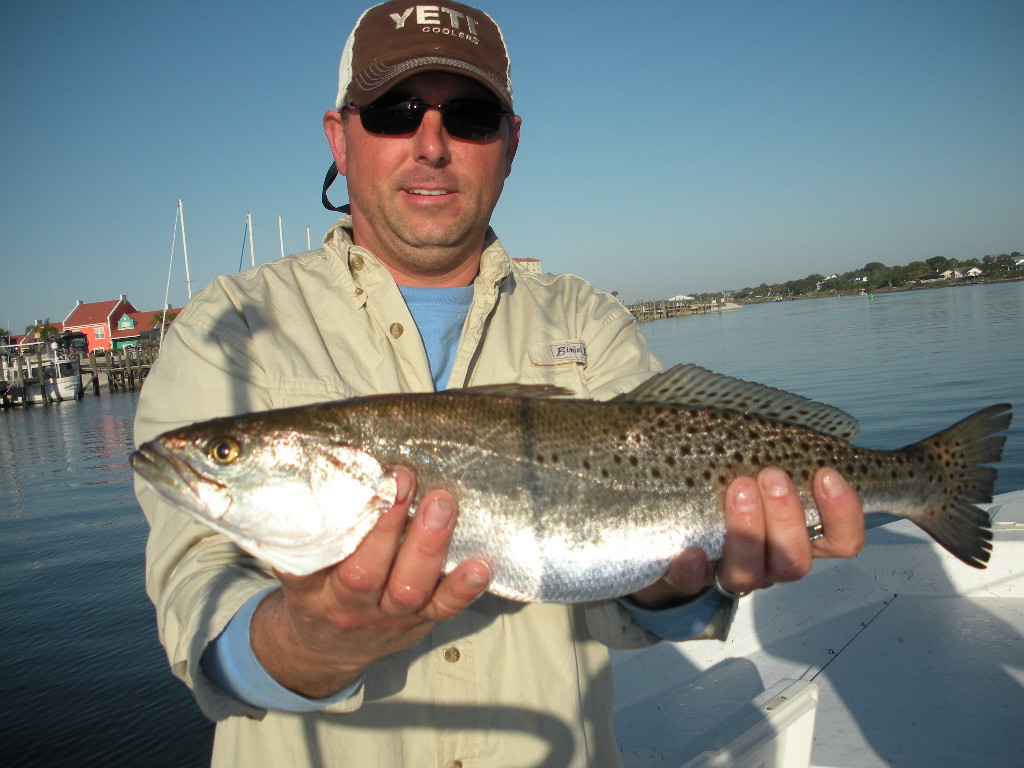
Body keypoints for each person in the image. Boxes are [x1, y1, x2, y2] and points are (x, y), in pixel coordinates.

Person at [134, 2, 865, 766]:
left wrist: (680, 585)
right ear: (338, 137)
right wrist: (305, 640)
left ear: (510, 144)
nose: (431, 144)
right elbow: (198, 598)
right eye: (395, 110)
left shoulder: (591, 318)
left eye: (471, 115)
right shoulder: (229, 327)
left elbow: (637, 604)